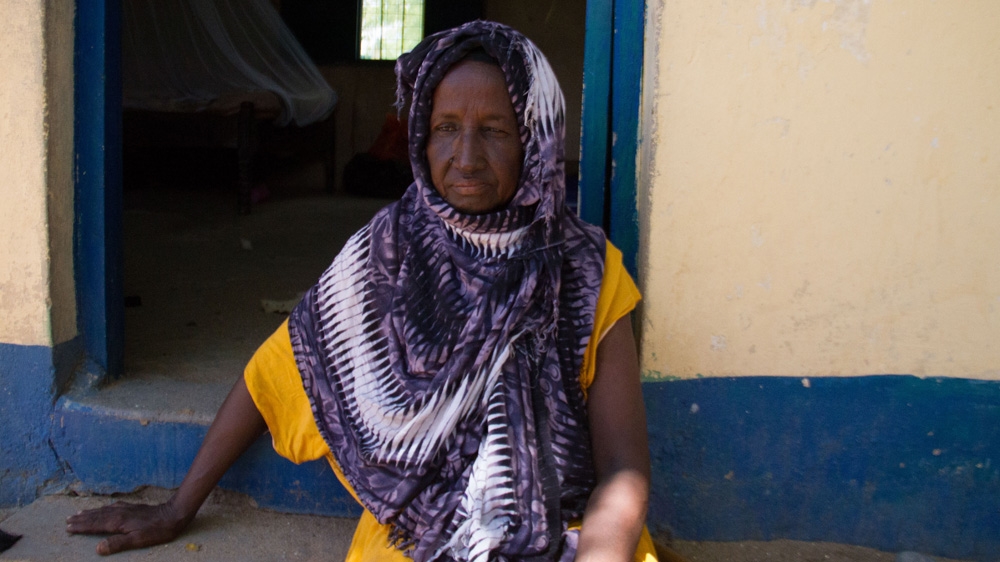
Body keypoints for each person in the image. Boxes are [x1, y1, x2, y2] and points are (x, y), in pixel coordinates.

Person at [67, 21, 654, 562]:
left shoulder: (583, 270)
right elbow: (278, 368)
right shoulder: (389, 250)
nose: (466, 158)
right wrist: (177, 508)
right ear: (421, 140)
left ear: (537, 142)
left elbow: (623, 467)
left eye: (496, 131)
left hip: (570, 530)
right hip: (420, 537)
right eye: (446, 129)